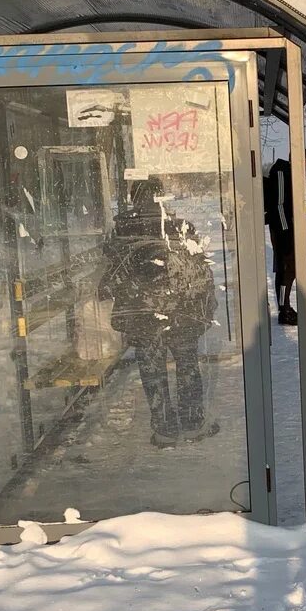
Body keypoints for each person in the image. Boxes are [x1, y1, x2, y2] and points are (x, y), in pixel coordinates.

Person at [101, 178, 218, 448]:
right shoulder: (180, 226)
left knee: (152, 370)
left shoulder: (121, 229)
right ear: (161, 197)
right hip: (180, 311)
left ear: (134, 198)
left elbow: (113, 272)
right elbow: (198, 272)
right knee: (187, 364)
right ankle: (192, 422)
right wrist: (204, 306)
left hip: (142, 314)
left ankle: (164, 428)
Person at [264, 153, 297, 325]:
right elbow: (280, 205)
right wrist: (285, 233)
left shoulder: (284, 172)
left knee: (286, 270)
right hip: (282, 231)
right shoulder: (282, 173)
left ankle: (285, 307)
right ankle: (284, 310)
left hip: (282, 230)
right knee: (287, 270)